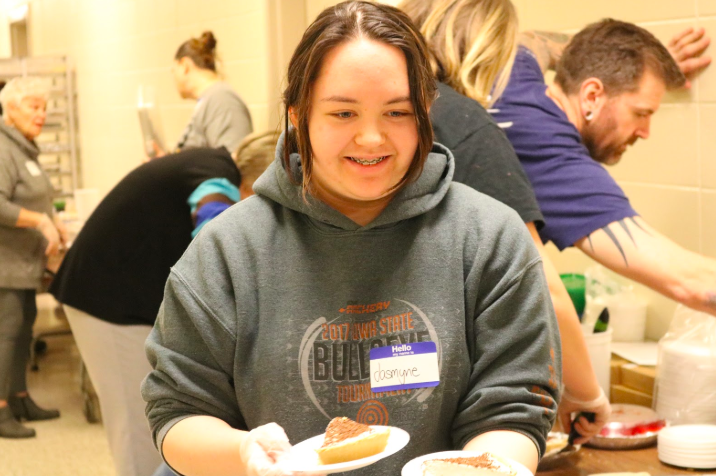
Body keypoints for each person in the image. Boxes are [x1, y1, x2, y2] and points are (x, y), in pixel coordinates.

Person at [142, 2, 560, 475]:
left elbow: (513, 408)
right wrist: (242, 453)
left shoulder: (489, 239)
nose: (370, 138)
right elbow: (178, 411)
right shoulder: (227, 251)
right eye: (343, 113)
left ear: (425, 110)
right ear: (298, 115)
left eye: (396, 112)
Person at [398, 0, 609, 443]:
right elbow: (536, 283)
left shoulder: (370, 119)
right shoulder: (462, 122)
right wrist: (588, 396)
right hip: (438, 398)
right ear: (485, 49)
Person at [49, 131, 277, 476]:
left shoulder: (206, 161)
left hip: (116, 290)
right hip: (107, 301)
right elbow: (212, 228)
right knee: (138, 427)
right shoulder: (217, 175)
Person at [491, 21, 716, 319]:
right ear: (593, 96)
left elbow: (533, 39)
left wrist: (641, 61)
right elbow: (692, 283)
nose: (645, 132)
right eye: (641, 113)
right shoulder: (551, 155)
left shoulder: (511, 69)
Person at [0, 76, 64, 439]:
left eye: (44, 107)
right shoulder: (3, 147)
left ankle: (19, 396)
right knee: (5, 334)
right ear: (10, 110)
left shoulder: (23, 146)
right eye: (33, 107)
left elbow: (32, 193)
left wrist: (53, 220)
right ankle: (0, 409)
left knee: (23, 329)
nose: (41, 114)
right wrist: (41, 220)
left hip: (24, 263)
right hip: (5, 264)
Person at [153, 31, 253, 157]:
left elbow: (233, 163)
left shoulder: (222, 99)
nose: (173, 77)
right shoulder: (210, 100)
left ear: (184, 66)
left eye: (174, 70)